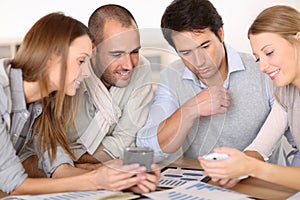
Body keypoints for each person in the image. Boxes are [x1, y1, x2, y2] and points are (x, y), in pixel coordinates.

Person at [0, 12, 158, 195]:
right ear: (52, 58)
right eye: (81, 61)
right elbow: (15, 186)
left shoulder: (39, 105)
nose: (87, 73)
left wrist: (117, 178)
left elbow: (60, 169)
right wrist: (94, 179)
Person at [137, 0, 286, 170]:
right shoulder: (171, 76)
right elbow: (148, 149)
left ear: (220, 33)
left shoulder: (263, 69)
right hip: (203, 187)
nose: (199, 61)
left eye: (205, 46)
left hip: (263, 187)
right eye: (186, 52)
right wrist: (191, 109)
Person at [200, 5, 300, 190]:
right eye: (257, 58)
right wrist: (236, 165)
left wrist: (253, 168)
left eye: (269, 53)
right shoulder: (286, 92)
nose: (262, 67)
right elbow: (261, 146)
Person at [67, 4, 154, 164]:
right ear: (92, 48)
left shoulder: (141, 68)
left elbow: (126, 141)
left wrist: (71, 158)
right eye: (117, 54)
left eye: (134, 52)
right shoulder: (70, 73)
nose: (129, 64)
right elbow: (49, 147)